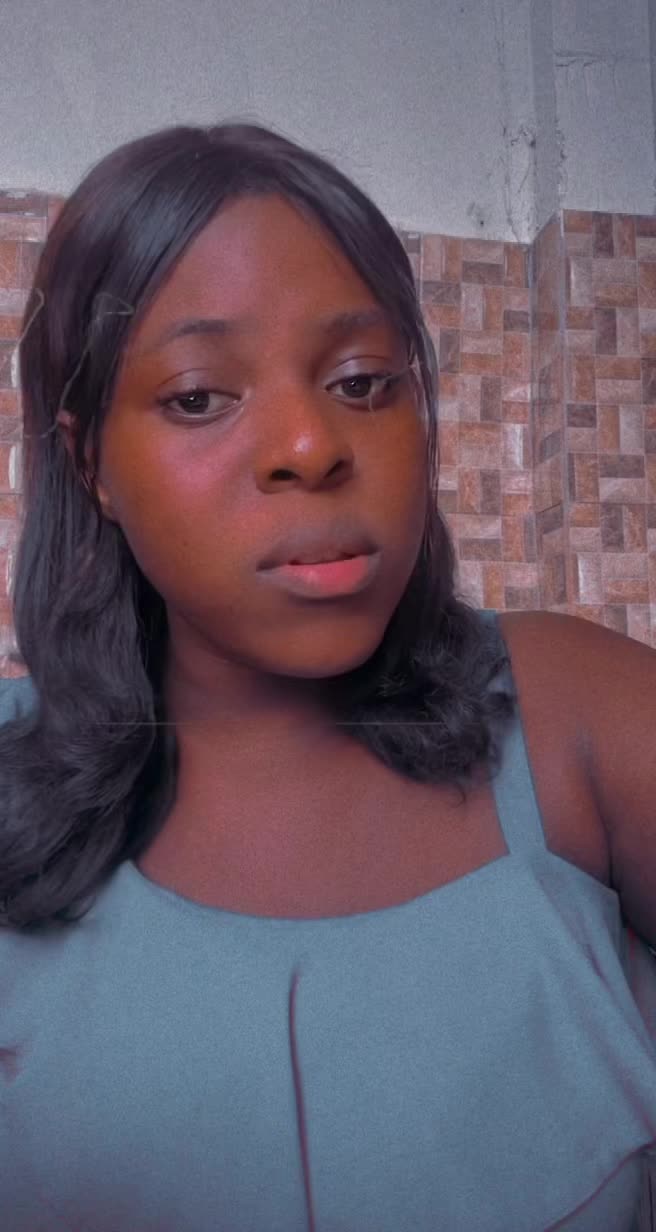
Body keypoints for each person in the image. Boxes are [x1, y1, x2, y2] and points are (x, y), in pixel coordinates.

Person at [0, 120, 654, 1232]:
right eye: (199, 396)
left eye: (362, 381)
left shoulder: (569, 713)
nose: (309, 446)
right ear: (87, 459)